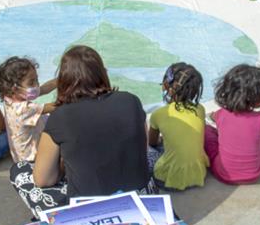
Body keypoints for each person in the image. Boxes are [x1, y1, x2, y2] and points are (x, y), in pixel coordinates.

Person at [9, 46, 154, 215]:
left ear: (64, 81)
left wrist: (65, 166)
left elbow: (43, 180)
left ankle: (62, 217)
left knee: (19, 170)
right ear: (102, 73)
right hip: (140, 196)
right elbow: (141, 148)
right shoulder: (131, 101)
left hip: (89, 209)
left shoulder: (60, 117)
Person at [204, 64, 260, 184]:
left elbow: (214, 118)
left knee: (207, 131)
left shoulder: (222, 114)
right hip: (254, 174)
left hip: (224, 174)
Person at [148, 63, 208, 190]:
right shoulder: (201, 109)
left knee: (147, 150)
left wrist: (162, 140)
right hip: (198, 175)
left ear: (166, 85)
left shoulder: (159, 114)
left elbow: (152, 142)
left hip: (166, 179)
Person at [0, 56, 57, 164]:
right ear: (15, 88)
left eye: (36, 79)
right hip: (32, 160)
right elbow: (56, 106)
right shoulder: (23, 110)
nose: (36, 85)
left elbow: (43, 89)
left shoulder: (10, 97)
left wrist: (62, 79)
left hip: (21, 156)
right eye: (32, 82)